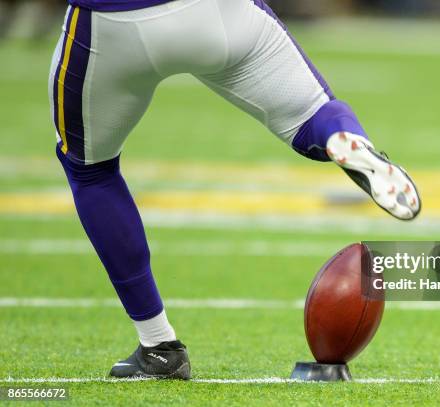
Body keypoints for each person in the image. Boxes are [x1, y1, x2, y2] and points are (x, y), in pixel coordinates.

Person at [49, 0, 421, 380]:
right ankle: (345, 138)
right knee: (312, 111)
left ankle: (158, 345)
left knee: (89, 169)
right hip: (218, 13)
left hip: (115, 23)